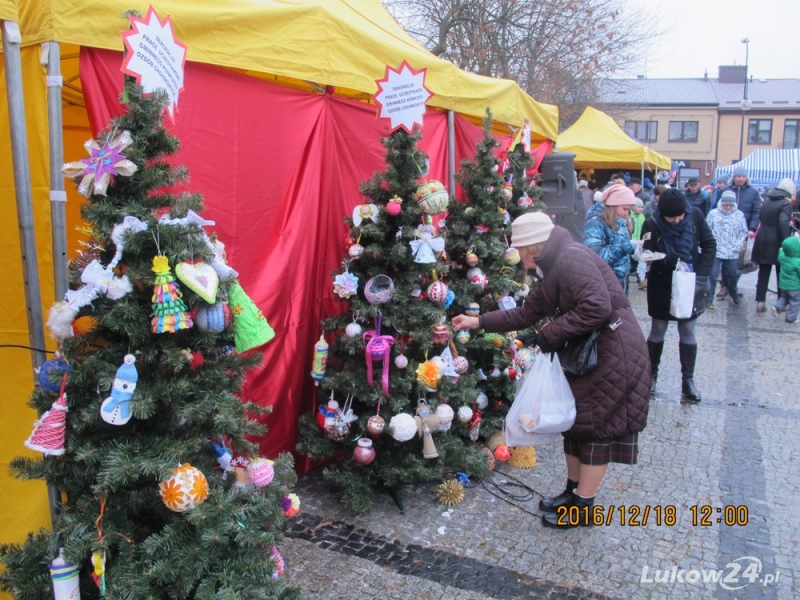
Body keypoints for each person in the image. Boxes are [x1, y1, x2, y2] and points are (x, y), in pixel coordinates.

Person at [451, 211, 650, 529]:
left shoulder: (571, 259)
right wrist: (478, 321)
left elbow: (597, 307)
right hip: (591, 352)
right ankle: (572, 494)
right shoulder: (555, 263)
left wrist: (549, 335)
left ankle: (583, 508)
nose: (522, 262)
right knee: (577, 426)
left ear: (534, 248)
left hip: (613, 353)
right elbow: (528, 312)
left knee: (596, 431)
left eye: (523, 254)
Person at [642, 189, 716, 402]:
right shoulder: (651, 225)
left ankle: (688, 381)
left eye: (679, 215)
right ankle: (651, 376)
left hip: (689, 282)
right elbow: (646, 255)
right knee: (657, 329)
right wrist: (668, 260)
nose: (676, 220)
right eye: (671, 217)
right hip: (662, 283)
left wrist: (701, 277)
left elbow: (709, 245)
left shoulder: (695, 216)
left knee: (688, 330)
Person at [751, 179, 795, 312]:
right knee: (781, 272)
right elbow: (783, 223)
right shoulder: (786, 203)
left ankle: (760, 301)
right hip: (776, 240)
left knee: (763, 271)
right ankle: (781, 301)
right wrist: (786, 242)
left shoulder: (768, 199)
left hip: (762, 237)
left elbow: (760, 216)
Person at [584, 184, 636, 295]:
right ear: (613, 205)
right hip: (603, 287)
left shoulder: (620, 222)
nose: (627, 213)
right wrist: (628, 246)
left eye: (629, 210)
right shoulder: (595, 223)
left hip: (618, 285)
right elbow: (595, 256)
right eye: (625, 209)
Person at [706, 191, 748, 309]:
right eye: (726, 205)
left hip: (732, 251)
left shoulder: (739, 215)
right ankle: (709, 300)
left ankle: (733, 293)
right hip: (717, 250)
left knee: (732, 274)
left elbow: (743, 232)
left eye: (730, 205)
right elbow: (707, 230)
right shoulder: (713, 214)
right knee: (713, 275)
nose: (728, 207)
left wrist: (738, 245)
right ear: (722, 203)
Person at [723, 167, 762, 275]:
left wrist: (752, 228)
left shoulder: (753, 192)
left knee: (740, 259)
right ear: (734, 177)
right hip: (726, 229)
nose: (741, 179)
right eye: (738, 176)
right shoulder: (726, 190)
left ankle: (733, 284)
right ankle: (724, 284)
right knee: (725, 258)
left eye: (743, 176)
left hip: (744, 230)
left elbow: (756, 212)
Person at [772, 236, 800, 324]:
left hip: (783, 285)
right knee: (795, 301)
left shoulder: (783, 257)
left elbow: (780, 252)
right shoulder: (797, 261)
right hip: (794, 287)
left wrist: (781, 248)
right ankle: (791, 318)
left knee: (784, 298)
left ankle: (776, 307)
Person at [631, 198, 647, 290]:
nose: (640, 209)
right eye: (638, 207)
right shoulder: (630, 216)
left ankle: (641, 280)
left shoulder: (642, 216)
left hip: (640, 242)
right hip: (632, 241)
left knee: (640, 262)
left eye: (642, 207)